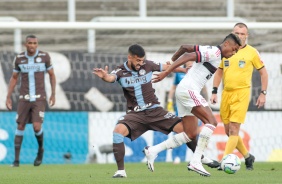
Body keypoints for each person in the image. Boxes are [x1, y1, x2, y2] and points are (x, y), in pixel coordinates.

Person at [93, 44, 218, 178]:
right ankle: (121, 171)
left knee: (187, 130)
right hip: (135, 114)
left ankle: (201, 157)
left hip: (155, 111)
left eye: (142, 60)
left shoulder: (148, 65)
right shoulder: (120, 71)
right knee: (117, 132)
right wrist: (104, 76)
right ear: (129, 57)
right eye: (137, 61)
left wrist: (183, 70)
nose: (140, 63)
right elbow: (111, 78)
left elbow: (167, 67)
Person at [143, 33, 242, 177]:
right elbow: (187, 56)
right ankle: (196, 161)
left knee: (190, 134)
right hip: (189, 89)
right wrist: (167, 71)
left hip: (184, 90)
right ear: (226, 44)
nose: (233, 53)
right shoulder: (214, 52)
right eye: (234, 49)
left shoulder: (211, 51)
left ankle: (153, 151)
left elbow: (184, 48)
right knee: (212, 122)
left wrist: (171, 60)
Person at [210, 23, 268, 170]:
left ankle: (224, 161)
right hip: (226, 94)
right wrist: (214, 91)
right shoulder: (227, 51)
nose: (240, 36)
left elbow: (263, 73)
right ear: (232, 33)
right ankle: (248, 157)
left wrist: (263, 93)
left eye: (243, 34)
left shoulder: (252, 52)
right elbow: (219, 71)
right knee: (229, 131)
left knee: (234, 129)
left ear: (246, 36)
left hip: (242, 93)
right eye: (237, 33)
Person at [6, 35, 56, 167]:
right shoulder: (19, 58)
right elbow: (14, 78)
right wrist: (8, 96)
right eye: (30, 43)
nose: (32, 45)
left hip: (39, 98)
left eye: (34, 43)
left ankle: (40, 150)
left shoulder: (45, 57)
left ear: (37, 44)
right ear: (25, 44)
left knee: (36, 126)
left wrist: (53, 94)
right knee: (20, 126)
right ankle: (16, 161)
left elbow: (52, 75)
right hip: (24, 97)